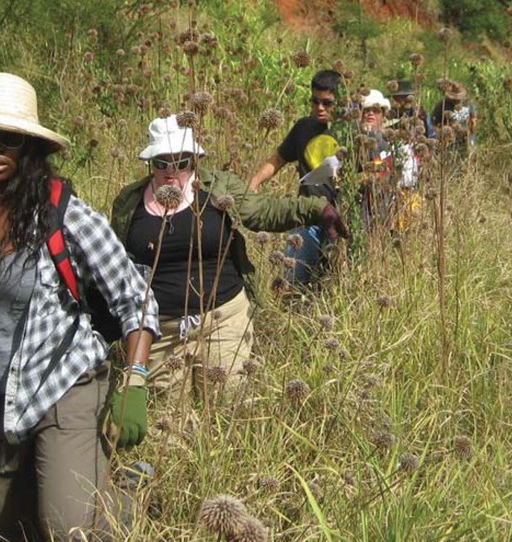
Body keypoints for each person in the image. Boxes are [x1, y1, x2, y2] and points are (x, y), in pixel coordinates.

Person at [0, 72, 160, 542]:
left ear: (30, 147)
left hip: (63, 383)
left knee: (69, 529)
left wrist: (136, 378)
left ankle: (125, 491)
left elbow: (135, 297)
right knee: (9, 533)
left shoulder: (62, 215)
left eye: (11, 138)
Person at [111, 114, 346, 401]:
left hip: (223, 318)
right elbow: (116, 264)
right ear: (150, 162)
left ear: (194, 160)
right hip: (162, 330)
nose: (170, 171)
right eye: (161, 163)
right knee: (167, 417)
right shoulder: (129, 202)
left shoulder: (219, 188)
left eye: (180, 162)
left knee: (228, 406)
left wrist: (317, 209)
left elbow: (263, 211)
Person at [249, 69, 343, 287]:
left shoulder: (348, 130)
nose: (320, 108)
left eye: (327, 103)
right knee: (293, 280)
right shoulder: (304, 127)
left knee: (334, 284)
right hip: (306, 217)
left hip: (341, 219)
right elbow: (278, 160)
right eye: (315, 101)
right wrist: (254, 183)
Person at [356, 89, 418, 230]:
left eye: (375, 110)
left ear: (383, 115)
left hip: (383, 212)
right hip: (358, 213)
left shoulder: (393, 145)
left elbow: (407, 181)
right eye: (366, 110)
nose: (370, 113)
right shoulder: (352, 142)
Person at [431, 80, 477, 156]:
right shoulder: (441, 106)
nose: (456, 101)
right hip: (450, 147)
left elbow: (474, 122)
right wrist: (445, 133)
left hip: (467, 143)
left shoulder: (468, 104)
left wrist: (469, 132)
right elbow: (435, 126)